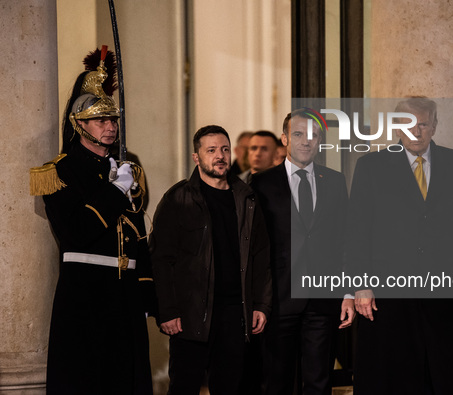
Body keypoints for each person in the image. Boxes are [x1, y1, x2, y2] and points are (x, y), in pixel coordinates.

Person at [29, 47, 155, 394]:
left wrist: (146, 292)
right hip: (85, 290)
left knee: (128, 378)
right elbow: (77, 231)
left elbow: (138, 236)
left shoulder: (128, 167)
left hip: (125, 292)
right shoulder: (59, 171)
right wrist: (115, 191)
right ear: (79, 124)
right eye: (101, 120)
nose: (110, 127)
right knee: (87, 378)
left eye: (113, 120)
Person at [346, 97, 453, 394]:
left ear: (434, 126)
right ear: (396, 127)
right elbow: (357, 231)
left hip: (441, 295)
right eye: (409, 124)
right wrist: (360, 285)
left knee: (436, 376)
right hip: (385, 297)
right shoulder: (370, 167)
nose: (416, 132)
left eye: (423, 124)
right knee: (389, 377)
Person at [150, 125, 272, 394]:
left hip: (235, 314)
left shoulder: (247, 198)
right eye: (212, 150)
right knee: (184, 386)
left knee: (230, 388)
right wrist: (167, 311)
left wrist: (261, 304)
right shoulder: (178, 198)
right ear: (197, 157)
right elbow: (160, 259)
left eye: (225, 149)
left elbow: (261, 256)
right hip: (190, 314)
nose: (220, 156)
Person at [251, 109, 355, 395]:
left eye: (313, 135)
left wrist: (348, 292)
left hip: (323, 299)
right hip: (279, 299)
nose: (306, 141)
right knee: (277, 382)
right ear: (285, 139)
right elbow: (255, 247)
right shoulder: (261, 184)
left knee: (319, 381)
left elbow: (345, 239)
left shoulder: (334, 181)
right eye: (298, 134)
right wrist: (258, 300)